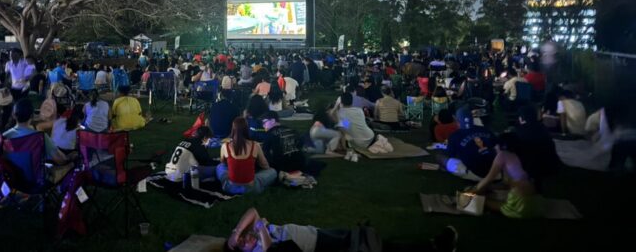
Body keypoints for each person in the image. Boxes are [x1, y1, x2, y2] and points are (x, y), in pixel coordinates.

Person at [225, 207, 458, 252]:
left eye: (243, 236)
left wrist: (238, 232)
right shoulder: (260, 245)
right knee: (375, 246)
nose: (246, 238)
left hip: (321, 235)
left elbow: (253, 210)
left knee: (374, 243)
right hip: (321, 245)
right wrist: (261, 230)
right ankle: (435, 245)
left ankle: (433, 244)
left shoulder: (254, 233)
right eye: (242, 243)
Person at [469, 133, 545, 219]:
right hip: (539, 205)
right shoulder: (525, 155)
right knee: (492, 195)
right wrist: (490, 188)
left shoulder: (502, 155)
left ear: (501, 145)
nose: (495, 147)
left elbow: (488, 179)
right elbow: (510, 184)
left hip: (520, 206)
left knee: (481, 200)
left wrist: (471, 193)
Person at [217, 117, 277, 195]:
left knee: (219, 167)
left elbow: (223, 162)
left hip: (230, 188)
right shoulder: (255, 145)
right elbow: (265, 166)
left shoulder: (225, 146)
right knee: (273, 171)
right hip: (252, 188)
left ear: (233, 129)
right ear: (246, 129)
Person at [441, 106, 496, 180]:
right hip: (496, 170)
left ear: (457, 121)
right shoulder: (485, 129)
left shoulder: (454, 136)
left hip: (478, 174)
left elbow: (450, 155)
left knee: (440, 157)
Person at [3, 99, 67, 164]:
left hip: (11, 174)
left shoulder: (4, 137)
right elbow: (60, 159)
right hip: (35, 174)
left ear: (13, 115)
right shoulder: (41, 137)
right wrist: (69, 157)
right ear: (32, 116)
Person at [514, 105, 559, 190]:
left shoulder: (520, 131)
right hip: (550, 165)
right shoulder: (542, 128)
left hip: (532, 168)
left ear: (521, 117)